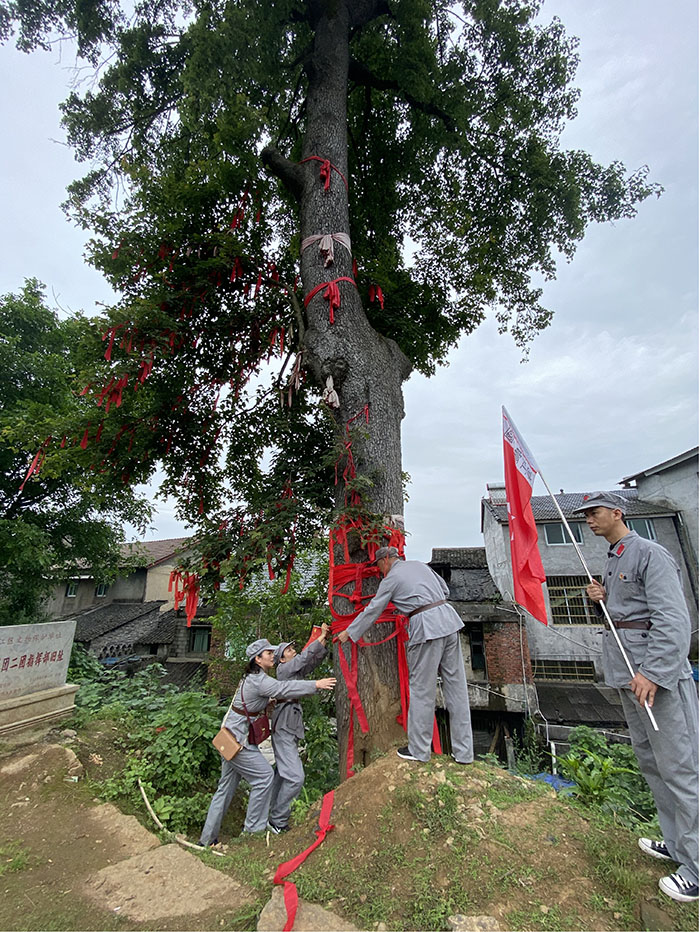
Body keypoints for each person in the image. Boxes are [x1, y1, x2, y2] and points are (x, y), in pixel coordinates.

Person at [574, 491, 698, 903]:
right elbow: (624, 615)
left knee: (681, 765)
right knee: (651, 762)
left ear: (616, 512)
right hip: (627, 671)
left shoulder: (650, 553)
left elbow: (672, 618)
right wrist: (601, 601)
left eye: (594, 513)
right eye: (586, 515)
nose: (589, 520)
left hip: (653, 675)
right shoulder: (613, 559)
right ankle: (679, 844)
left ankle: (697, 866)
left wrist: (656, 672)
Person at [336, 545, 473, 765]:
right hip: (448, 620)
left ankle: (419, 750)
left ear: (387, 559)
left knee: (422, 690)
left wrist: (350, 632)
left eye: (379, 565)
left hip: (426, 626)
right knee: (456, 688)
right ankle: (464, 753)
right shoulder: (420, 566)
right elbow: (444, 591)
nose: (380, 571)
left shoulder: (391, 578)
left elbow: (373, 609)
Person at [199, 638, 336, 845]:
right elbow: (282, 688)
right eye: (268, 653)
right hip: (240, 741)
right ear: (258, 658)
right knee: (264, 777)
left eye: (273, 652)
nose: (273, 655)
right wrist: (315, 684)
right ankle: (253, 833)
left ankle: (207, 839)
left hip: (230, 737)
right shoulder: (260, 680)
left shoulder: (252, 678)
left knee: (225, 788)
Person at [267, 622, 331, 833]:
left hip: (290, 726)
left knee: (282, 774)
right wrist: (319, 637)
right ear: (282, 659)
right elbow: (304, 657)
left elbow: (311, 662)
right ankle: (277, 819)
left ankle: (269, 814)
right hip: (284, 725)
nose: (294, 651)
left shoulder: (293, 672)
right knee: (295, 777)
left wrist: (323, 641)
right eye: (289, 650)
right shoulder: (283, 670)